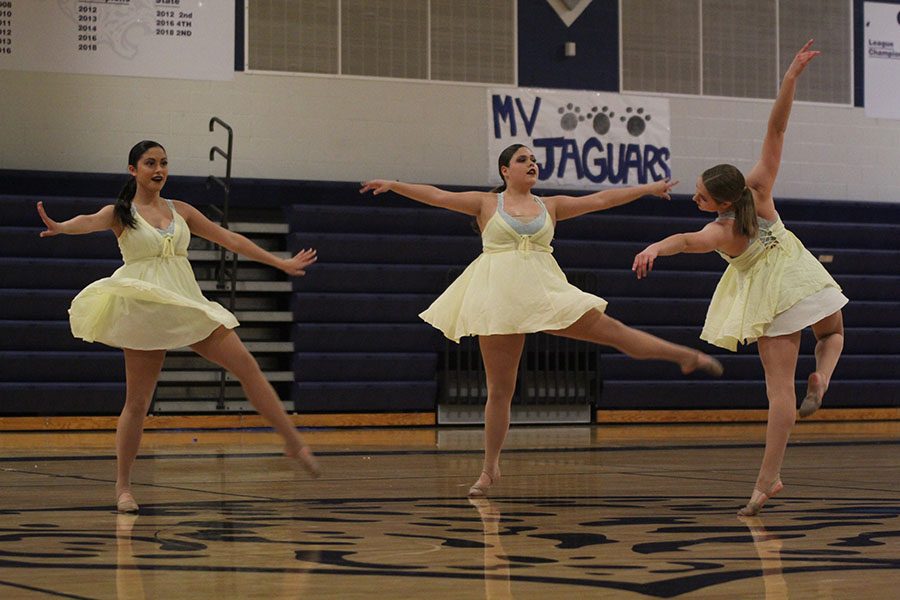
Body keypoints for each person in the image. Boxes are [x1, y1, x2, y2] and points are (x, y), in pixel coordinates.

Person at [361, 148, 723, 497]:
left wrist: (648, 188)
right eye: (523, 159)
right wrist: (395, 184)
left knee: (616, 333)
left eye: (534, 159)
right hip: (499, 299)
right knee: (500, 389)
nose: (532, 163)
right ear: (506, 170)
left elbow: (601, 200)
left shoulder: (550, 205)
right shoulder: (487, 203)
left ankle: (683, 356)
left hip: (546, 294)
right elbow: (437, 195)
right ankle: (489, 469)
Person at [37, 140, 321, 513]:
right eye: (150, 163)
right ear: (133, 170)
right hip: (146, 310)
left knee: (248, 367)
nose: (159, 169)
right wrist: (60, 226)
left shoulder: (182, 210)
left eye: (164, 163)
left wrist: (279, 262)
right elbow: (88, 221)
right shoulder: (121, 212)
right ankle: (123, 487)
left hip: (187, 304)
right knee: (137, 403)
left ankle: (291, 439)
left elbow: (229, 239)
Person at [632, 41, 847, 516]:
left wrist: (652, 248)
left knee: (777, 394)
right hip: (801, 274)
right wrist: (790, 77)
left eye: (702, 196)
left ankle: (767, 480)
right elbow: (777, 127)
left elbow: (685, 241)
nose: (696, 200)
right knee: (831, 332)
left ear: (722, 203)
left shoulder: (720, 231)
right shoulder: (760, 187)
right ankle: (824, 381)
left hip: (772, 295)